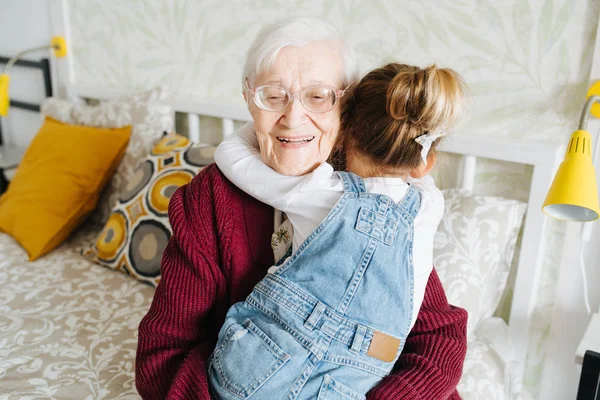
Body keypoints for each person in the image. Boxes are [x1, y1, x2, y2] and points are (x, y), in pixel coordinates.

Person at [135, 17, 468, 400]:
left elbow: (438, 335)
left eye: (319, 96)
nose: (293, 119)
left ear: (347, 108)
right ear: (248, 98)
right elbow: (163, 353)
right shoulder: (210, 198)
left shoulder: (381, 199)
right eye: (273, 96)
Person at [209, 62, 464, 399]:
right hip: (351, 381)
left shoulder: (318, 191)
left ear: (342, 135)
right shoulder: (429, 207)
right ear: (426, 161)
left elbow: (230, 155)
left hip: (258, 368)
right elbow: (419, 175)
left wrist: (267, 120)